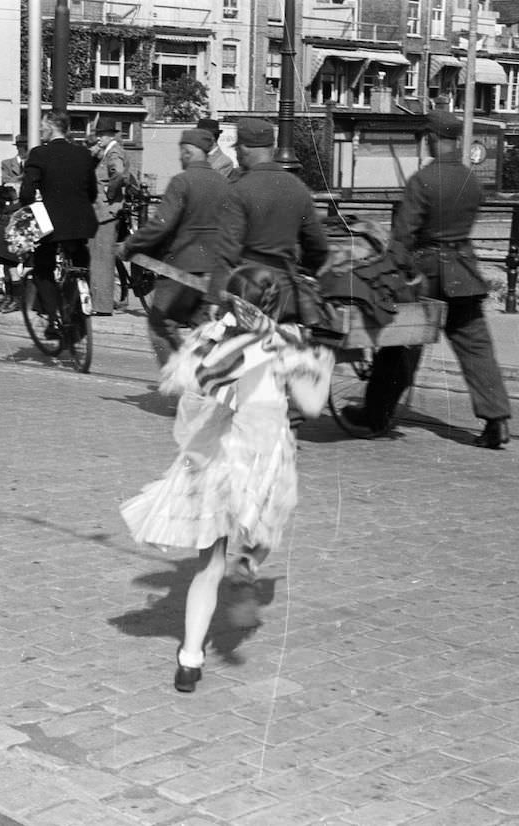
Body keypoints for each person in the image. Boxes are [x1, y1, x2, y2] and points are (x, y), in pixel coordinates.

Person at [121, 266, 334, 692]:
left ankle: (190, 658)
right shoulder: (284, 342)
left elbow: (192, 386)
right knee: (268, 523)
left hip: (217, 458)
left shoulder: (213, 336)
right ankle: (250, 563)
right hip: (263, 457)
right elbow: (310, 406)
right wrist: (323, 367)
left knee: (208, 564)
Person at [346, 110, 512, 448]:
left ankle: (376, 415)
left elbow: (404, 237)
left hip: (426, 274)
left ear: (433, 139)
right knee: (475, 346)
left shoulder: (422, 180)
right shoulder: (471, 180)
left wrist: (387, 268)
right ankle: (497, 421)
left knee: (399, 343)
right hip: (465, 272)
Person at [119, 128, 228, 366]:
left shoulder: (182, 181)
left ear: (188, 152)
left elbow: (161, 225)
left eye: (181, 152)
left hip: (180, 269)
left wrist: (130, 245)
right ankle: (207, 378)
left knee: (160, 324)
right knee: (203, 327)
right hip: (215, 270)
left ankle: (179, 380)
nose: (180, 158)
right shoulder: (223, 182)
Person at [212, 117, 328, 316]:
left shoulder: (239, 190)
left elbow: (227, 251)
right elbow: (318, 246)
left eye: (238, 148)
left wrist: (214, 298)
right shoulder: (298, 188)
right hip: (286, 294)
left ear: (246, 149)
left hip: (247, 292)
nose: (237, 154)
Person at [19, 109, 98, 338]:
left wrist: (31, 209)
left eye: (43, 125)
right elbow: (91, 191)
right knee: (81, 264)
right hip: (82, 223)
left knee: (43, 269)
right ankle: (78, 312)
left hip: (52, 226)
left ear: (52, 125)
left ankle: (54, 320)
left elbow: (26, 193)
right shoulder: (83, 154)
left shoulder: (39, 154)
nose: (41, 130)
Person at [88, 116, 126, 315]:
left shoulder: (114, 152)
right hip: (101, 213)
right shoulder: (107, 152)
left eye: (100, 135)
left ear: (108, 135)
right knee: (99, 258)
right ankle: (101, 302)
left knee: (102, 260)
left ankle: (102, 306)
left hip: (106, 212)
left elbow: (118, 174)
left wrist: (109, 194)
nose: (98, 139)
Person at [0, 184, 23, 313]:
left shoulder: (15, 208)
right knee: (6, 270)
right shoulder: (9, 207)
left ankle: (16, 300)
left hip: (11, 243)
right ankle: (9, 298)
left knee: (13, 271)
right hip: (5, 243)